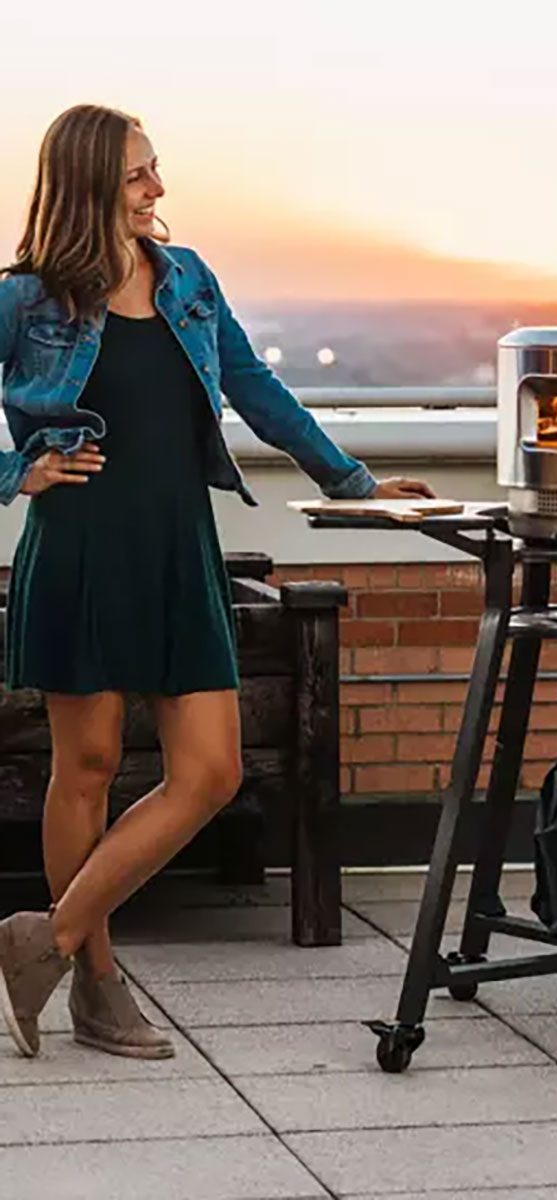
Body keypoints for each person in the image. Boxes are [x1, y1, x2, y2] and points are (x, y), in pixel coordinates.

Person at [0, 104, 433, 1060]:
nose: (158, 189)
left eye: (156, 170)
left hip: (177, 547)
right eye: (137, 176)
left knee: (210, 772)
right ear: (85, 188)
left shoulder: (186, 280)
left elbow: (257, 390)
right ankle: (97, 988)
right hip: (79, 545)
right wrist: (15, 472)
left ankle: (48, 939)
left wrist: (354, 485)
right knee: (90, 766)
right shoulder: (23, 299)